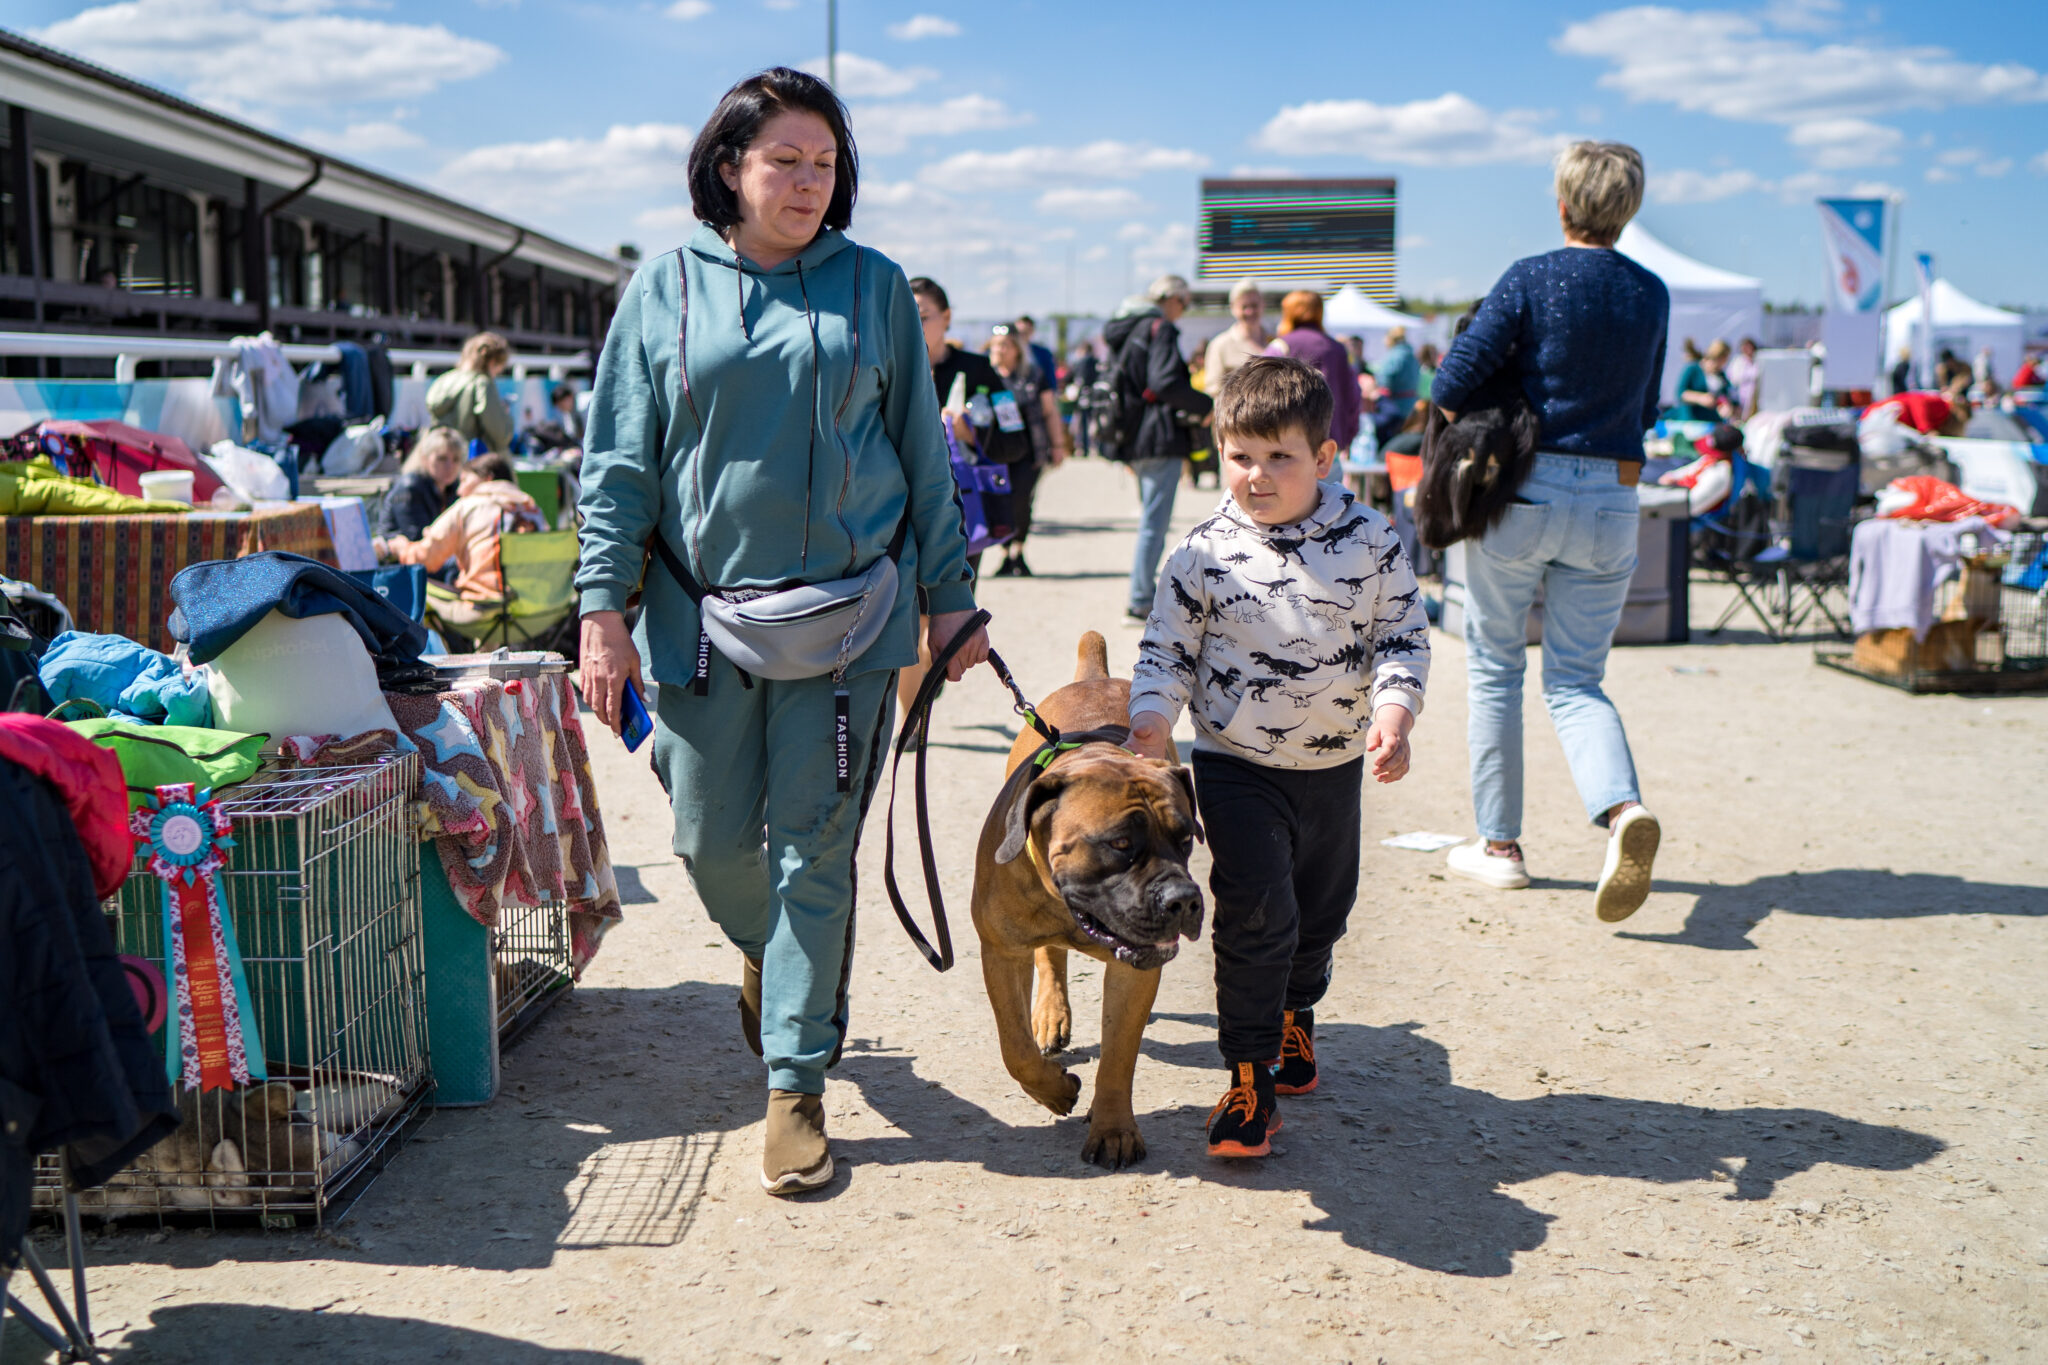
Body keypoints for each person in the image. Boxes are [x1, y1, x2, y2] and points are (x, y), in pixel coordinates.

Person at [572, 68, 989, 1196]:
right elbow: (616, 466)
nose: (808, 182)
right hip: (701, 622)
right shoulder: (660, 291)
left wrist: (948, 599)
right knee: (709, 843)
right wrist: (600, 609)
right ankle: (773, 958)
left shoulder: (875, 288)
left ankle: (794, 1082)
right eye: (784, 161)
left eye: (824, 163)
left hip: (856, 621)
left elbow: (919, 457)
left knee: (817, 847)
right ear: (728, 167)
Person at [1125, 356, 1429, 1158]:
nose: (1256, 475)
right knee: (1257, 912)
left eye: (1279, 457)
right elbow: (1166, 653)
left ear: (1324, 458)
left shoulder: (1370, 540)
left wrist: (1394, 714)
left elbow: (1402, 636)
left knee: (1320, 915)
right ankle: (1249, 1078)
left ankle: (1298, 1016)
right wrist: (1151, 723)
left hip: (1333, 767)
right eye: (1240, 456)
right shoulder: (1201, 553)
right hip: (1234, 763)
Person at [1428, 139, 1668, 922]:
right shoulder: (1652, 294)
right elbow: (1650, 410)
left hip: (1525, 492)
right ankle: (1622, 809)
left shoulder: (1530, 277)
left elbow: (1451, 385)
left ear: (1562, 204)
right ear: (1628, 211)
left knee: (1497, 666)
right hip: (1614, 495)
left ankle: (1499, 847)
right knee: (1577, 678)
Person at [1102, 274, 1212, 622]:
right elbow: (1164, 381)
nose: (1183, 311)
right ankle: (1139, 598)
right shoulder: (1159, 328)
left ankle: (1140, 591)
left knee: (1150, 518)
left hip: (1132, 435)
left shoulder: (1128, 328)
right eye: (1184, 302)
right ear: (1172, 299)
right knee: (1154, 521)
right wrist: (1205, 405)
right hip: (1159, 435)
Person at [376, 450, 545, 613]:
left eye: (464, 480)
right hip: (537, 607)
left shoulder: (469, 506)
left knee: (416, 592)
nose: (459, 490)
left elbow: (427, 559)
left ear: (487, 479)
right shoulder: (531, 507)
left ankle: (446, 644)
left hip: (486, 605)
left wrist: (401, 549)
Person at [987, 322, 1068, 577]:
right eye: (996, 345)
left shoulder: (1033, 375)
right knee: (998, 503)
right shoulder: (986, 376)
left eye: (1005, 345)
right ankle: (1004, 553)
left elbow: (1049, 411)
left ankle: (1018, 552)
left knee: (1021, 500)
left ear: (1017, 349)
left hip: (1028, 451)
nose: (1000, 350)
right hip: (995, 452)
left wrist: (1058, 445)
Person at [1265, 290, 1362, 460]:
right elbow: (1354, 396)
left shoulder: (1281, 346)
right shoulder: (1338, 349)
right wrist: (1347, 436)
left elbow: (1259, 393)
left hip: (1286, 447)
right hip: (1328, 447)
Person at [427, 332, 516, 455]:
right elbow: (500, 434)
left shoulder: (444, 379)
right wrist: (504, 414)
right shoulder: (482, 383)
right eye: (499, 367)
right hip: (471, 461)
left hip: (441, 457)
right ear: (492, 362)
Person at [376, 425, 462, 541]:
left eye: (456, 459)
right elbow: (417, 538)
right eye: (441, 458)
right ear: (424, 459)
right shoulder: (410, 488)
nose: (450, 466)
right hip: (399, 556)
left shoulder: (454, 487)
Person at [1204, 279, 1270, 386]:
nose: (1250, 312)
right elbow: (1213, 390)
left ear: (1263, 305)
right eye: (1244, 307)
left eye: (1254, 305)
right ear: (1233, 308)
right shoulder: (1220, 345)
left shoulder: (1276, 342)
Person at [1673, 339, 1733, 421]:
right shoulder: (1693, 369)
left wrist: (1726, 406)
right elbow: (1680, 393)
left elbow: (1725, 396)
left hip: (1713, 421)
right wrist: (1700, 398)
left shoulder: (1721, 375)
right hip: (1692, 422)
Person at [1013, 315, 1060, 406]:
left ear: (1032, 331)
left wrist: (1052, 397)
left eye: (1026, 332)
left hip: (1037, 400)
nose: (1022, 335)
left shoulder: (1042, 353)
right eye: (1019, 332)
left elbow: (1050, 377)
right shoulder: (1008, 352)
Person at [1376, 324, 1421, 406]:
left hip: (1396, 404)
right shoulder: (1411, 354)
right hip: (1411, 402)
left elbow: (1385, 378)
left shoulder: (1395, 355)